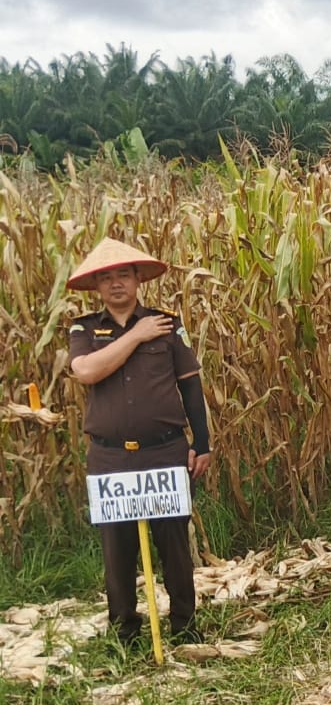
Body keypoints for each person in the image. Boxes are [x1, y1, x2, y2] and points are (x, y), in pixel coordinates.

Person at [67, 237, 213, 646]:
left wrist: (201, 443)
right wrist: (135, 335)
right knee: (118, 550)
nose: (116, 284)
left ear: (137, 280)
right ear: (97, 286)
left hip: (165, 450)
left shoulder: (168, 325)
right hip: (110, 456)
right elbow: (86, 372)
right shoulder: (83, 328)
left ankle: (185, 627)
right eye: (107, 277)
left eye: (124, 275)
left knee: (174, 545)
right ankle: (125, 633)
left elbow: (191, 386)